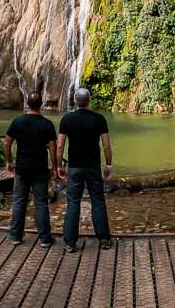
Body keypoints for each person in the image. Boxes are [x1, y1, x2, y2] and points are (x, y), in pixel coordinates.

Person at [57, 87, 112, 252]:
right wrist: (108, 165)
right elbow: (107, 145)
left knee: (73, 203)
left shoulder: (67, 119)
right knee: (98, 202)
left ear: (75, 101)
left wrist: (58, 165)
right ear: (89, 101)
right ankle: (104, 240)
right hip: (93, 167)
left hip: (74, 167)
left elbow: (60, 146)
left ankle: (69, 242)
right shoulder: (99, 119)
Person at [5, 91, 57, 247]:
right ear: (41, 105)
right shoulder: (47, 124)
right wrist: (55, 167)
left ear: (27, 103)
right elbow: (53, 149)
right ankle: (45, 239)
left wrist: (8, 161)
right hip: (40, 169)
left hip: (21, 168)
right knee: (41, 203)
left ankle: (15, 236)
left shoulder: (18, 121)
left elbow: (7, 142)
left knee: (19, 202)